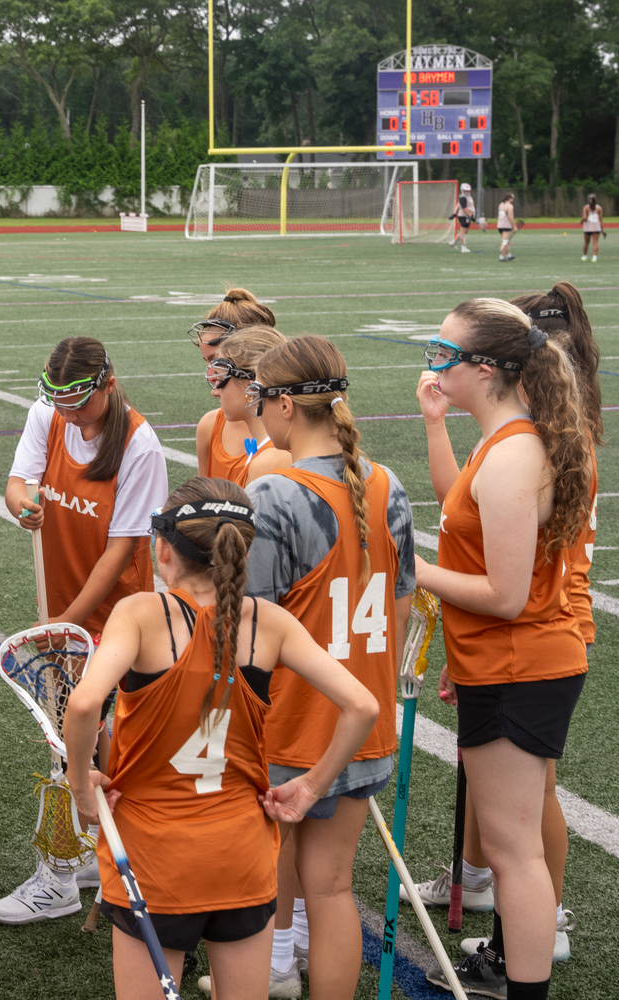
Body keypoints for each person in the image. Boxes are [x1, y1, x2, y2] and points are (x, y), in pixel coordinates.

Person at [61, 476, 379, 1000]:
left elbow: (83, 703)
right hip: (242, 857)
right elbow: (363, 705)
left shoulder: (141, 614)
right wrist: (312, 786)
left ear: (163, 549)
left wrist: (79, 786)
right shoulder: (270, 623)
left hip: (153, 859)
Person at [405, 282, 602, 966]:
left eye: (443, 350)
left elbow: (505, 593)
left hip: (521, 663)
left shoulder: (515, 450)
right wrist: (434, 424)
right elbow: (466, 511)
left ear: (484, 368)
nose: (432, 361)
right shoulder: (499, 442)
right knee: (511, 847)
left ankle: (524, 974)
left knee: (514, 855)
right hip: (501, 664)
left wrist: (410, 567)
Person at [237, 335, 416, 1000]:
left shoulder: (273, 495)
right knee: (333, 886)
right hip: (362, 722)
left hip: (287, 725)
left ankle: (266, 977)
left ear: (284, 405)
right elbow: (396, 610)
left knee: (259, 884)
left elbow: (248, 632)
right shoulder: (386, 483)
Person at [0, 334, 169, 925]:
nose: (66, 416)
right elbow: (17, 483)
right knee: (74, 741)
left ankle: (60, 877)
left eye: (77, 405)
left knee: (83, 740)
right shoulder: (50, 413)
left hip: (116, 616)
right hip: (63, 607)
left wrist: (68, 624)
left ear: (107, 387)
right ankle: (81, 860)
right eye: (58, 404)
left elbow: (120, 553)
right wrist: (23, 506)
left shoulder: (139, 444)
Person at [190, 289, 279, 481]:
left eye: (217, 363)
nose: (210, 375)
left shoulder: (283, 439)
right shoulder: (210, 426)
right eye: (206, 361)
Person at [197, 325, 291, 488]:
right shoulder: (268, 452)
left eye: (221, 378)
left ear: (250, 385)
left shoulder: (269, 462)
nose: (216, 391)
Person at [580, 196, 603, 262]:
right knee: (595, 242)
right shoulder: (599, 208)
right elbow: (600, 219)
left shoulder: (586, 207)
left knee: (586, 242)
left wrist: (581, 222)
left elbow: (584, 218)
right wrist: (602, 229)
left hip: (588, 228)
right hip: (596, 227)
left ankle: (585, 256)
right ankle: (594, 257)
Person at [453, 183, 474, 253]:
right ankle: (463, 248)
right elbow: (464, 208)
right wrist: (471, 216)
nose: (467, 192)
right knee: (463, 233)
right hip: (464, 216)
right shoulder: (462, 198)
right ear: (462, 190)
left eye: (468, 190)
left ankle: (454, 242)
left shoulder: (469, 197)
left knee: (465, 231)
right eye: (465, 191)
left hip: (467, 216)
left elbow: (457, 205)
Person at [497, 194, 517, 262]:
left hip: (500, 225)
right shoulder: (510, 206)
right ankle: (501, 257)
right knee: (505, 242)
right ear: (509, 198)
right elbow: (510, 217)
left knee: (506, 241)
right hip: (506, 225)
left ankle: (509, 255)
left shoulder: (501, 204)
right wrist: (514, 226)